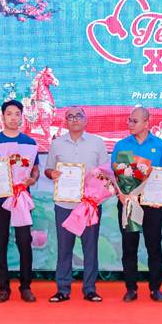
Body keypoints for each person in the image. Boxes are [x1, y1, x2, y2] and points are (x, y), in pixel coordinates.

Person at [44, 107, 110, 303]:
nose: (74, 119)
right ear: (66, 121)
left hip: (89, 204)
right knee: (64, 249)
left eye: (78, 116)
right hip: (64, 204)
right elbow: (48, 169)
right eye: (70, 117)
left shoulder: (97, 142)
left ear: (85, 120)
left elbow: (106, 172)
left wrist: (98, 177)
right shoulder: (56, 143)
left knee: (90, 249)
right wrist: (52, 174)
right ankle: (62, 290)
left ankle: (90, 289)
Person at [111, 107, 162, 302]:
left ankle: (155, 288)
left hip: (152, 205)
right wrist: (121, 194)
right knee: (129, 246)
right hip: (129, 203)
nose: (130, 124)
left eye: (134, 121)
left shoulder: (161, 146)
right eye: (129, 120)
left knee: (154, 246)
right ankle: (131, 288)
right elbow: (116, 176)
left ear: (147, 123)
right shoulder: (122, 146)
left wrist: (160, 197)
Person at [0, 99, 40, 303]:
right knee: (0, 242)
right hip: (0, 200)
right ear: (2, 116)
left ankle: (26, 286)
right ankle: (3, 288)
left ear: (22, 117)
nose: (13, 118)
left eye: (17, 114)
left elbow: (35, 169)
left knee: (24, 241)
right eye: (9, 114)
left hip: (21, 197)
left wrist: (32, 179)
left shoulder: (29, 142)